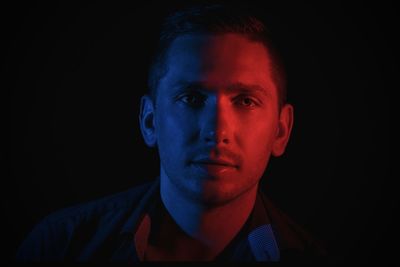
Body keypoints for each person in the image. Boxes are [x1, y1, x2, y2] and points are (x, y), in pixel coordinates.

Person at [16, 4, 325, 262]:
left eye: (245, 100)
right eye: (192, 98)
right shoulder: (60, 247)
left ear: (281, 131)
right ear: (150, 121)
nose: (216, 130)